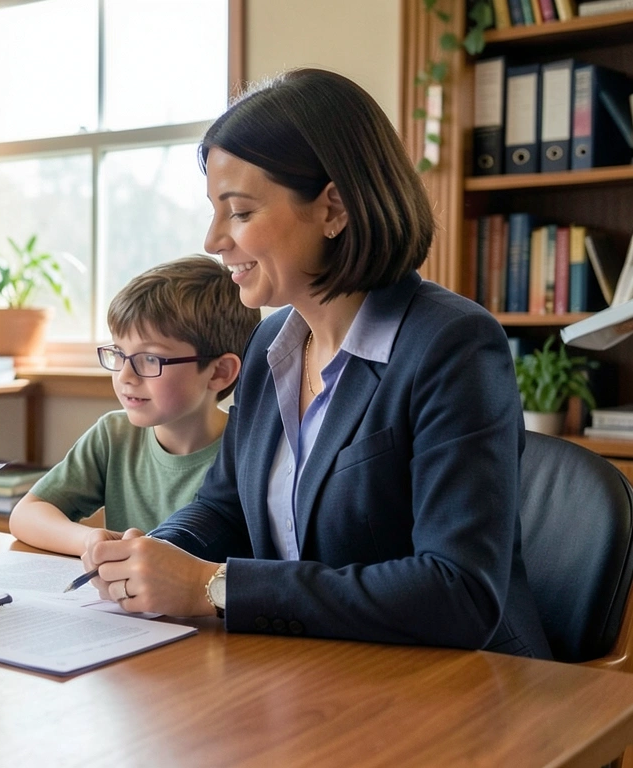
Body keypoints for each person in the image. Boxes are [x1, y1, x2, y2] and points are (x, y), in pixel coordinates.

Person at [84, 68, 551, 658]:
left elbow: (456, 592)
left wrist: (213, 587)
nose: (213, 239)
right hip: (315, 668)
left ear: (334, 208)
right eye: (214, 210)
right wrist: (151, 554)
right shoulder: (272, 342)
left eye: (240, 212)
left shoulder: (452, 345)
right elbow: (223, 507)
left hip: (459, 688)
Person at [8, 255, 259, 556]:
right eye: (119, 354)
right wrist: (89, 541)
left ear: (219, 372)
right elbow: (27, 514)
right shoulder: (114, 435)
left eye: (150, 359)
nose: (125, 376)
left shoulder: (251, 453)